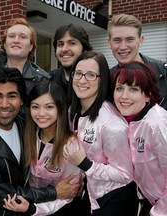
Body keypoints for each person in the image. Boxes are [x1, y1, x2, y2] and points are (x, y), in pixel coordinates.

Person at [0, 66, 79, 216]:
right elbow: (3, 195)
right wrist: (54, 192)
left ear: (22, 100)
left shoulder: (28, 126)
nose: (5, 104)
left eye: (12, 96)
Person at [63, 51, 138, 216]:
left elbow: (125, 174)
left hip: (114, 198)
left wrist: (85, 164)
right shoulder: (72, 112)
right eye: (79, 73)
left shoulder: (112, 125)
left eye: (91, 75)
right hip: (89, 193)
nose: (82, 80)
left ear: (101, 80)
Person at [3, 80, 83, 215]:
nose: (41, 113)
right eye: (35, 107)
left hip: (60, 210)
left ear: (60, 108)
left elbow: (69, 193)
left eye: (49, 107)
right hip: (28, 205)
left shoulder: (71, 146)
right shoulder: (27, 136)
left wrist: (34, 209)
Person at [111, 62, 167, 216]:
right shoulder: (130, 120)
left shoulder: (157, 124)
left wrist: (158, 212)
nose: (124, 96)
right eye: (119, 88)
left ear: (148, 94)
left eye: (133, 89)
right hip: (150, 201)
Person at [107, 13, 167, 110]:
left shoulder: (163, 73)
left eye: (129, 40)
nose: (123, 47)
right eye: (117, 40)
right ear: (109, 43)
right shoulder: (107, 79)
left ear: (141, 40)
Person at [0, 18, 51, 96]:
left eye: (23, 37)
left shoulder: (42, 79)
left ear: (31, 46)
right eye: (12, 36)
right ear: (4, 44)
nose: (16, 40)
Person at [50, 23, 93, 95]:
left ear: (84, 48)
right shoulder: (48, 80)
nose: (64, 49)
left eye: (72, 43)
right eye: (60, 44)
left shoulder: (98, 81)